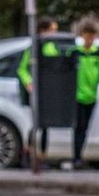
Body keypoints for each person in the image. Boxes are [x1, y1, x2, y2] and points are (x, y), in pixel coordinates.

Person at [67, 17, 99, 170]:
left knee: (84, 127)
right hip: (76, 96)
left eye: (93, 35)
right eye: (88, 35)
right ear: (82, 35)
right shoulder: (74, 53)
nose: (90, 39)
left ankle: (79, 156)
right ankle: (76, 157)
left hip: (91, 95)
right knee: (78, 127)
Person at [17, 18, 65, 158]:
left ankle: (42, 154)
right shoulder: (34, 47)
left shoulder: (53, 46)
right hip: (38, 90)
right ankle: (29, 150)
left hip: (49, 90)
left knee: (46, 125)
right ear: (43, 31)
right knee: (38, 122)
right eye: (52, 30)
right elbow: (22, 69)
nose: (55, 33)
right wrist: (28, 83)